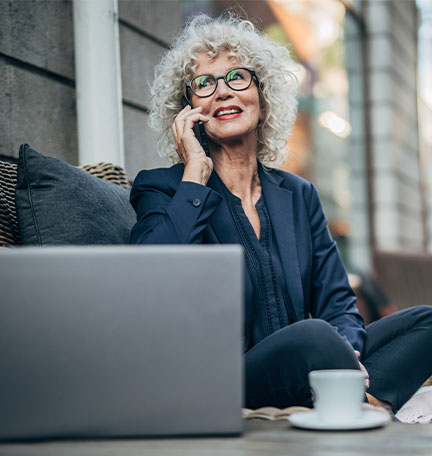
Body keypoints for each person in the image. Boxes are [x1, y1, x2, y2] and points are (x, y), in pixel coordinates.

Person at [130, 13, 432, 413]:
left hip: (310, 361)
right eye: (203, 84)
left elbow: (338, 305)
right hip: (225, 376)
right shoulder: (164, 188)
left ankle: (362, 400)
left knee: (424, 321)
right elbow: (146, 281)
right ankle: (354, 401)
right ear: (187, 110)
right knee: (313, 336)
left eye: (237, 77)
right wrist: (194, 179)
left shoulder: (298, 194)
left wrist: (346, 355)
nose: (222, 92)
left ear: (262, 92)